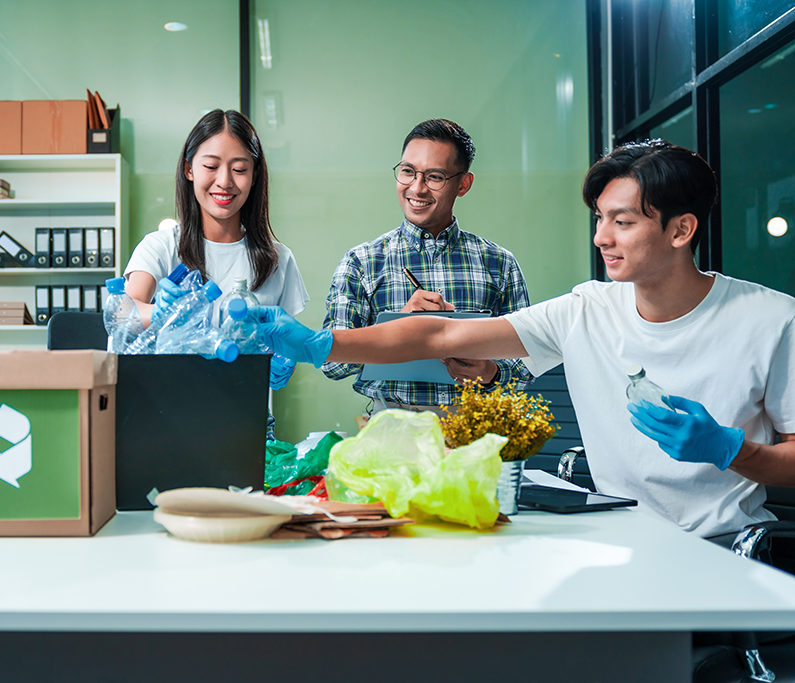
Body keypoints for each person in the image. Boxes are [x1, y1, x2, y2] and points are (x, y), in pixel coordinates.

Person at [253, 140, 795, 541]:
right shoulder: (585, 310)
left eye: (623, 222)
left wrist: (733, 451)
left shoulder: (771, 320)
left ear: (681, 230)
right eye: (600, 219)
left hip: (724, 546)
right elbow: (439, 332)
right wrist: (319, 344)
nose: (601, 237)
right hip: (621, 537)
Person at [321, 118, 531, 415]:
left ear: (463, 184)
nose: (417, 188)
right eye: (408, 171)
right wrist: (394, 329)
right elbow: (332, 364)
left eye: (434, 177)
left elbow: (527, 365)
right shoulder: (362, 262)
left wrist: (489, 371)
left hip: (473, 427)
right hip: (389, 426)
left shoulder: (499, 263)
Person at [124, 109, 309, 392]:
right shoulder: (160, 246)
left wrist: (286, 358)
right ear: (189, 169)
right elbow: (123, 313)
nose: (224, 181)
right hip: (168, 405)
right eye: (211, 166)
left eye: (239, 169)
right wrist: (159, 312)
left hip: (246, 409)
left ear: (255, 174)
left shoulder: (277, 259)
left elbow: (285, 341)